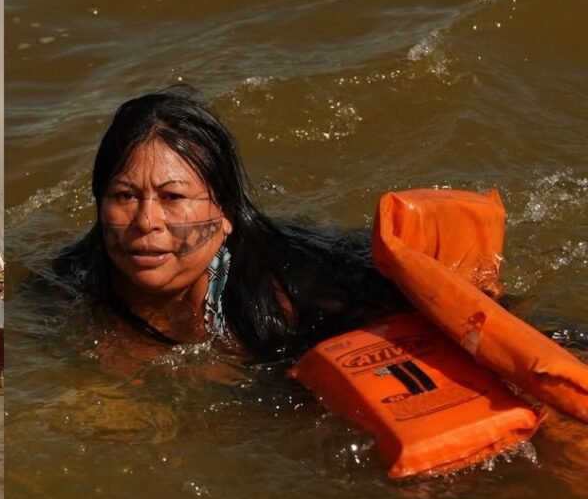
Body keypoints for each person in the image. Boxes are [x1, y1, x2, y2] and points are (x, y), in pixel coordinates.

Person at [55, 86, 406, 366]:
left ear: (227, 213)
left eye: (173, 197)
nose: (146, 221)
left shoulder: (288, 299)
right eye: (124, 195)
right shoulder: (71, 283)